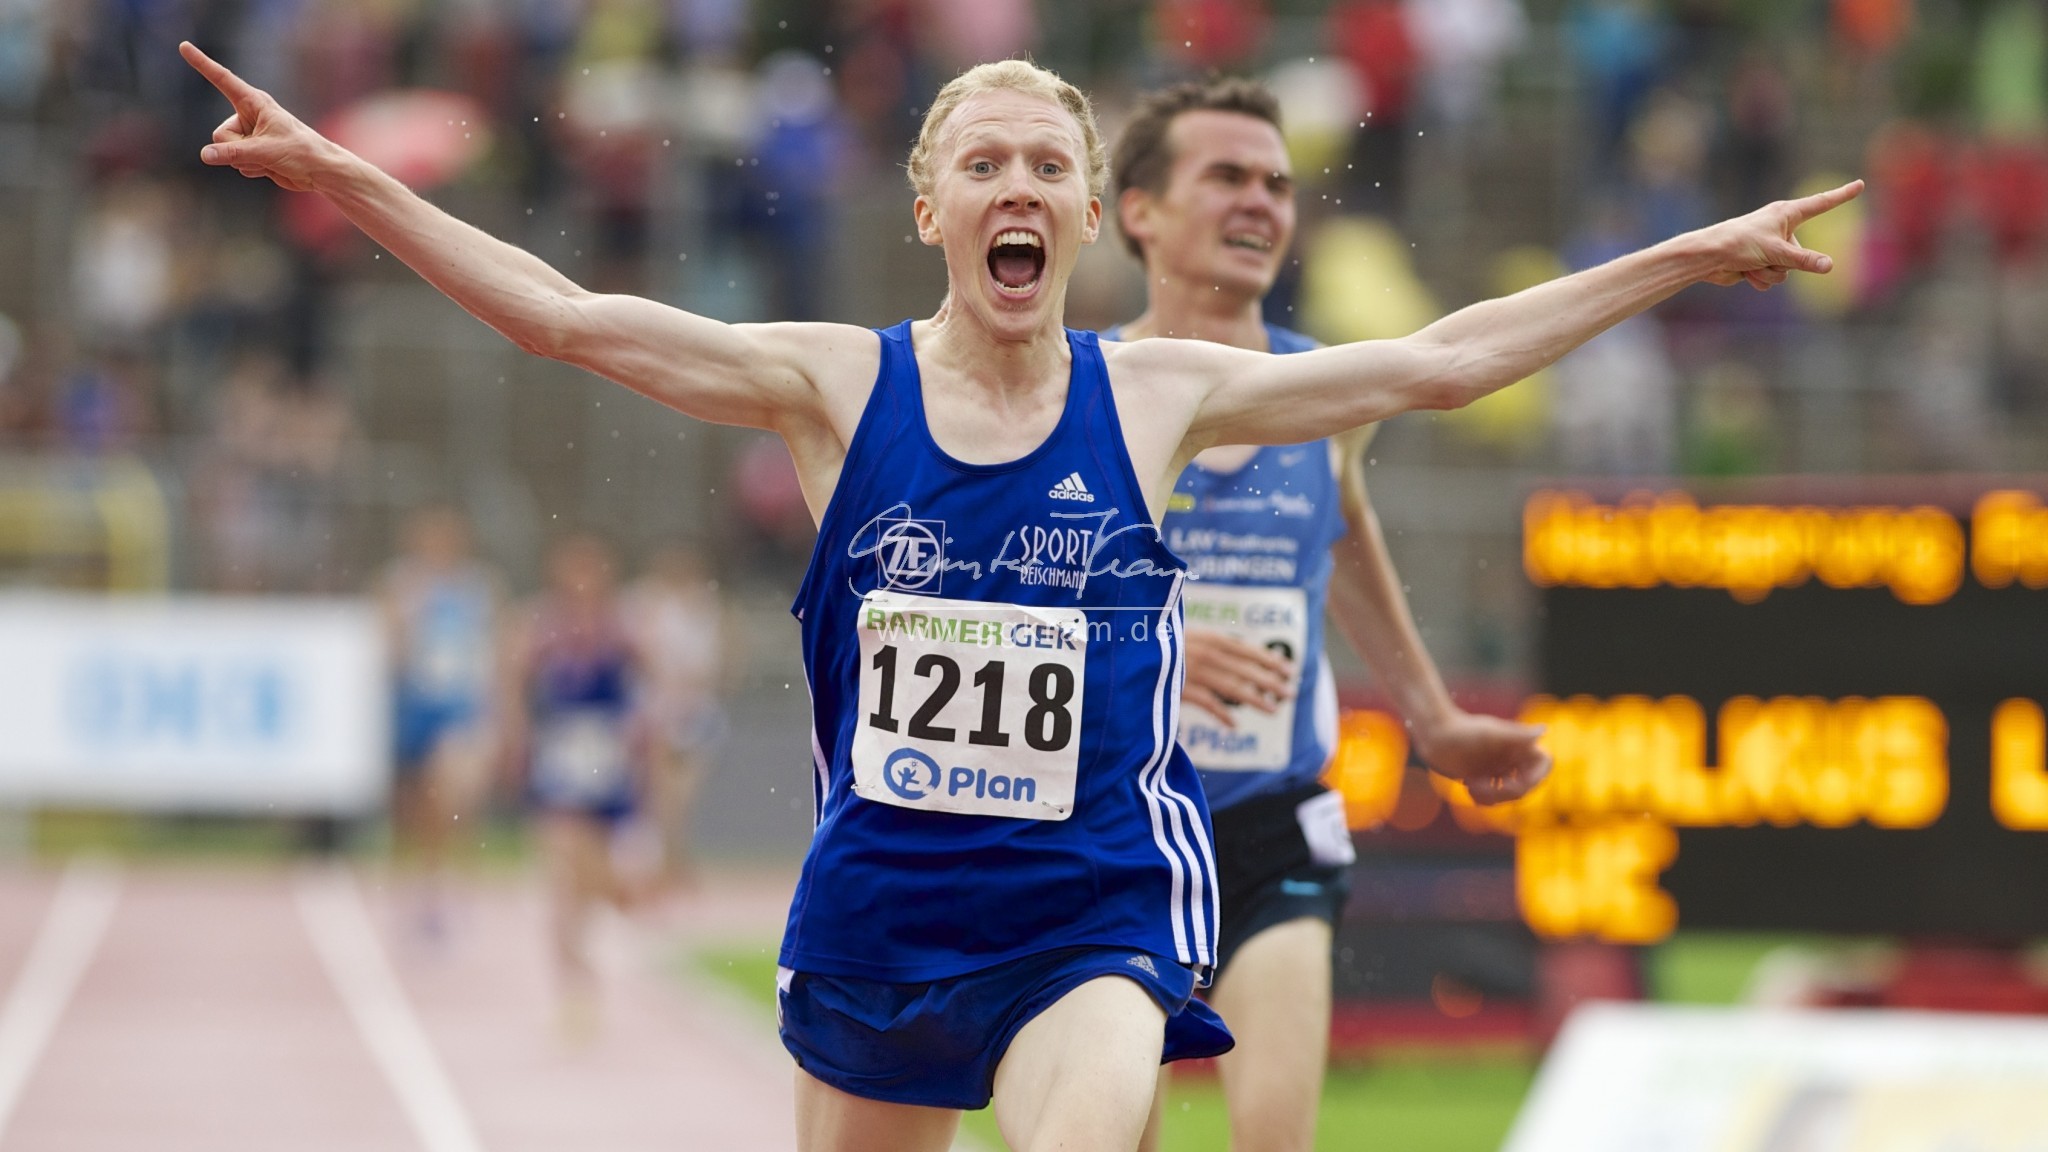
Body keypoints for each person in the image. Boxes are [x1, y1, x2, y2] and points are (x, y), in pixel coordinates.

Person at [181, 40, 1856, 1151]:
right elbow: (562, 315)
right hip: (882, 922)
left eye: (1047, 166)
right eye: (982, 164)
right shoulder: (832, 386)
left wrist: (1681, 254)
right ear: (929, 210)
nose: (1018, 190)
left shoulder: (1158, 397)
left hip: (1091, 912)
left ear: (1080, 217)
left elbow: (1430, 362)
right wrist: (347, 181)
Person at [1106, 79, 1548, 1152]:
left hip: (1270, 820)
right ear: (1138, 212)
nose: (1258, 203)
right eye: (1224, 178)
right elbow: (1007, 596)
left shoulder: (1326, 392)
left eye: (1275, 183)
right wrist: (1152, 652)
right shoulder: (1088, 391)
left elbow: (1343, 535)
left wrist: (1430, 716)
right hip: (1108, 827)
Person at [500, 531, 648, 1033]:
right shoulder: (542, 627)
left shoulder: (621, 629)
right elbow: (511, 681)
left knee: (594, 881)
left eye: (592, 572)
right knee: (563, 873)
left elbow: (656, 685)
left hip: (607, 766)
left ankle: (608, 913)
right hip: (559, 762)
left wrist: (644, 729)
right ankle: (575, 988)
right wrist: (517, 736)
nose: (583, 583)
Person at [378, 502, 504, 939]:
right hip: (415, 704)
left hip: (457, 708)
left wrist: (493, 707)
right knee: (411, 807)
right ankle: (409, 887)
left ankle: (455, 890)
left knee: (452, 801)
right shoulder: (403, 583)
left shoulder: (477, 586)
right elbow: (388, 641)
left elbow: (494, 647)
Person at [622, 541, 734, 891]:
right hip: (658, 709)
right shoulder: (645, 603)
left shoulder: (708, 607)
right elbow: (638, 654)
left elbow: (722, 660)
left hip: (696, 710)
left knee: (680, 796)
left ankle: (672, 858)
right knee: (660, 792)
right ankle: (667, 861)